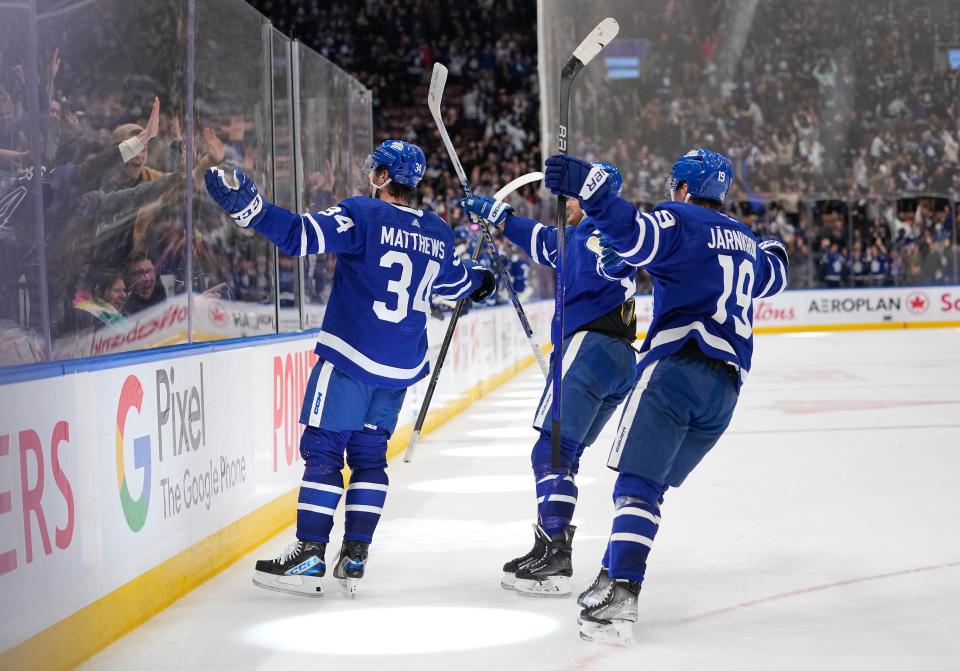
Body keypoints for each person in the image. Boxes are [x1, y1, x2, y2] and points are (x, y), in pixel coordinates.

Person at [205, 139, 495, 598]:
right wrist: (485, 276)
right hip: (400, 367)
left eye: (375, 169)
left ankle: (310, 552)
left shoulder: (362, 213)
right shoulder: (438, 231)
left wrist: (252, 210)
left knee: (323, 450)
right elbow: (459, 285)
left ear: (383, 177)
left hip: (351, 356)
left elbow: (300, 235)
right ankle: (355, 554)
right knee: (368, 458)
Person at [542, 148, 789, 643]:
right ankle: (613, 575)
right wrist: (773, 245)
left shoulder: (679, 218)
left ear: (681, 188)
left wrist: (593, 193)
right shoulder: (742, 237)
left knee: (635, 487)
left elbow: (636, 234)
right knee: (648, 489)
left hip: (678, 368)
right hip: (725, 391)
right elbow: (776, 274)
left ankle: (623, 596)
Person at [460, 162, 638, 598]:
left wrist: (614, 259)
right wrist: (499, 217)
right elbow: (543, 242)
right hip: (618, 359)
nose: (567, 203)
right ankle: (550, 544)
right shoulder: (582, 234)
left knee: (551, 450)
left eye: (574, 195)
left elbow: (605, 257)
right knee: (566, 453)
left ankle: (555, 553)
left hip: (589, 348)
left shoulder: (599, 232)